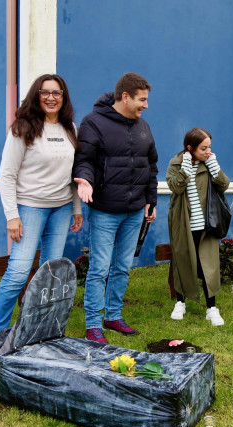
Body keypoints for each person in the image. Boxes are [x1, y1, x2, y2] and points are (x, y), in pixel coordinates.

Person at [0, 74, 83, 337]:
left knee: (50, 275)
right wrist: (12, 216)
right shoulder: (22, 128)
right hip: (29, 208)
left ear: (64, 97)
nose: (51, 98)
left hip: (61, 208)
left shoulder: (70, 129)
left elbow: (74, 173)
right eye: (45, 92)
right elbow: (7, 175)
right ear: (36, 96)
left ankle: (41, 329)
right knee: (17, 273)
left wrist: (76, 207)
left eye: (57, 93)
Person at [73, 72, 158, 344]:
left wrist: (151, 200)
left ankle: (113, 315)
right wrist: (84, 180)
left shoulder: (143, 126)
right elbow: (84, 158)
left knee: (122, 267)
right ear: (125, 96)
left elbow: (151, 165)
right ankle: (93, 324)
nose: (145, 105)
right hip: (105, 210)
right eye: (141, 100)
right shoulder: (93, 123)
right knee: (99, 268)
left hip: (134, 211)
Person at [166, 128, 230, 326]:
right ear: (190, 148)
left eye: (209, 146)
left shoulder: (209, 163)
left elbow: (224, 185)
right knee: (182, 261)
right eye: (203, 148)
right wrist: (185, 168)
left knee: (208, 266)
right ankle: (180, 302)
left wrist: (213, 166)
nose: (208, 151)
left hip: (207, 225)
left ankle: (212, 308)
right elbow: (175, 187)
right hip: (182, 223)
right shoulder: (176, 163)